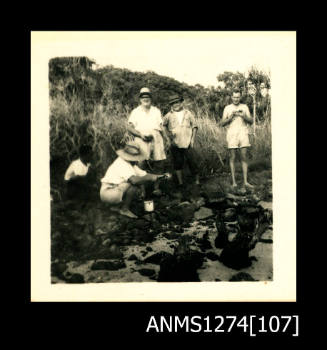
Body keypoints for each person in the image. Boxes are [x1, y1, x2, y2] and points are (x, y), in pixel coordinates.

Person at [100, 141, 166, 219]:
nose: (137, 160)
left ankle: (117, 207)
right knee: (133, 185)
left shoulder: (130, 164)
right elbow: (134, 180)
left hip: (114, 190)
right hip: (108, 193)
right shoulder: (122, 164)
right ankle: (124, 209)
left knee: (135, 182)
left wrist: (159, 176)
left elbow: (143, 174)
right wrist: (151, 178)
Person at [127, 87, 167, 195]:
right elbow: (129, 128)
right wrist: (140, 135)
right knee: (141, 163)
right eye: (143, 97)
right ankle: (142, 190)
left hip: (156, 137)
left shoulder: (156, 110)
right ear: (140, 99)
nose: (145, 98)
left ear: (151, 98)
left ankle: (156, 188)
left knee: (159, 162)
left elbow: (160, 126)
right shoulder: (135, 111)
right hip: (141, 138)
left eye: (147, 96)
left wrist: (165, 139)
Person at [220, 89, 254, 192]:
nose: (236, 99)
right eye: (234, 97)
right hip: (232, 133)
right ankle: (234, 182)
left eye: (238, 97)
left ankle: (245, 182)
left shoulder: (244, 107)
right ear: (231, 97)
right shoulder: (227, 108)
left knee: (244, 156)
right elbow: (222, 123)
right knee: (232, 157)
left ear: (240, 97)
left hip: (243, 132)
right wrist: (230, 117)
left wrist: (243, 116)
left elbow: (251, 121)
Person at [163, 94, 200, 188]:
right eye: (173, 103)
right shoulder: (168, 115)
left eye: (177, 102)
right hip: (175, 143)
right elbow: (163, 126)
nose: (176, 104)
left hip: (188, 142)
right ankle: (180, 183)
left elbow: (194, 126)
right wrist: (168, 138)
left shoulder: (188, 113)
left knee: (192, 162)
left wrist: (192, 139)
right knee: (178, 163)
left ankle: (197, 182)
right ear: (171, 104)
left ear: (181, 102)